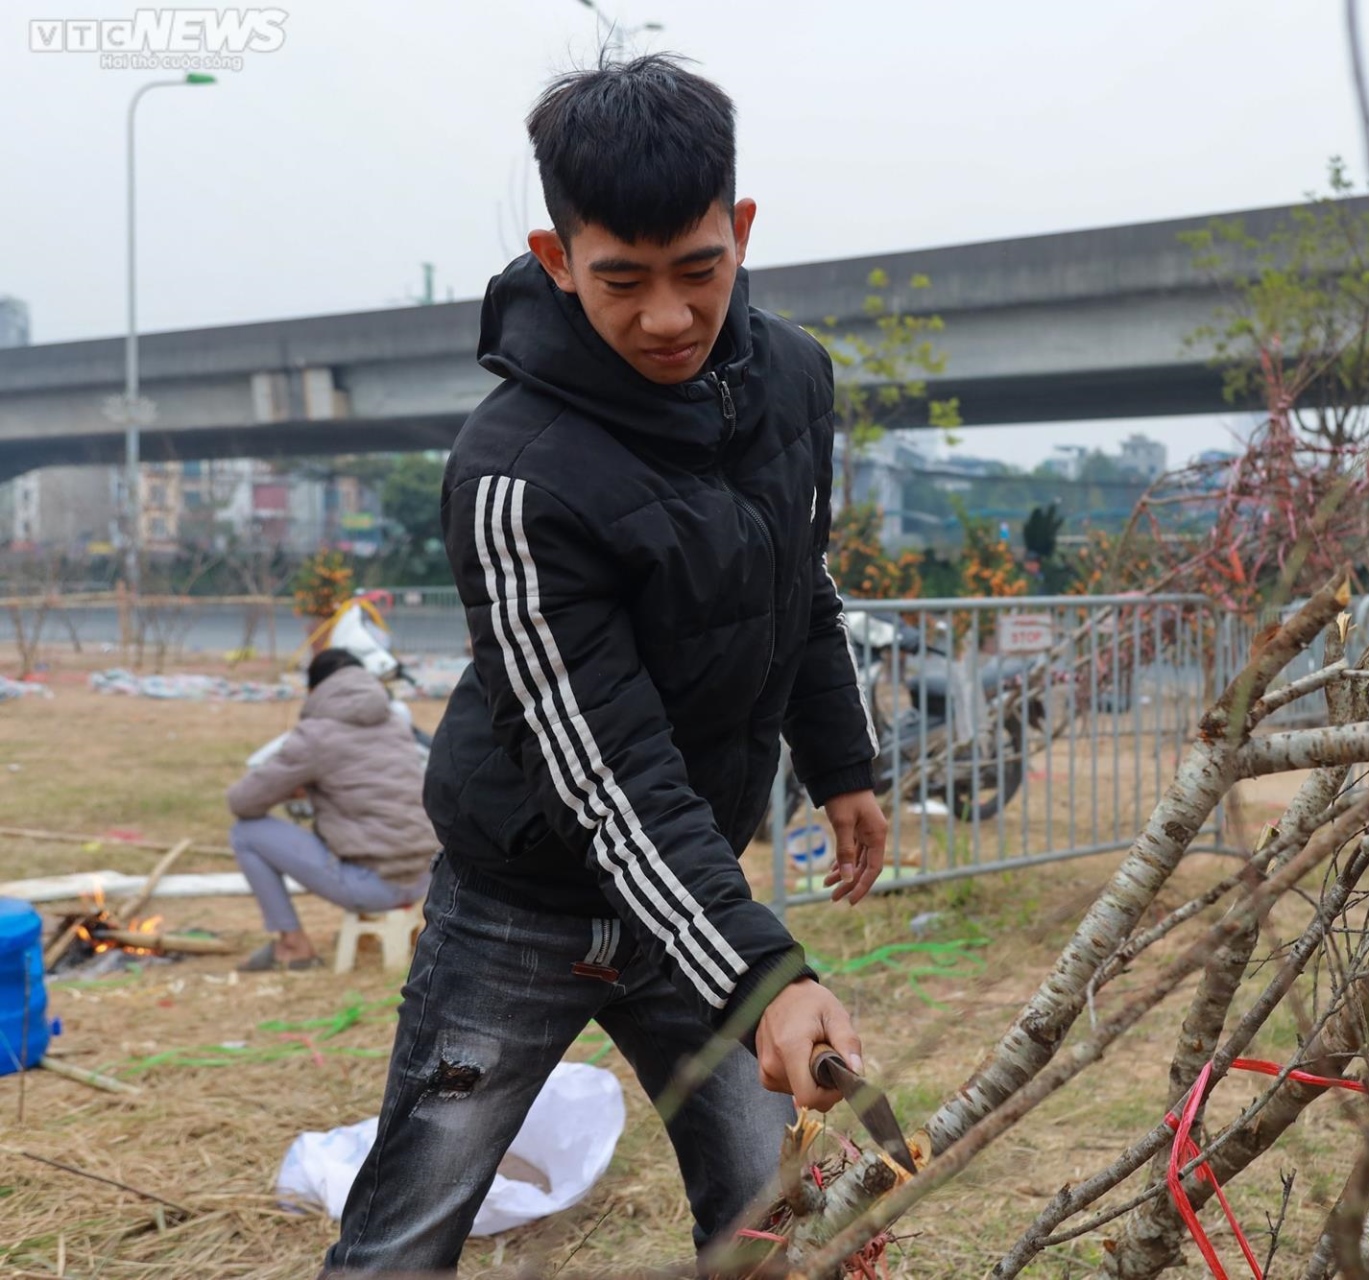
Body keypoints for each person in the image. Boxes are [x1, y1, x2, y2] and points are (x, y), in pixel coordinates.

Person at [324, 53, 890, 1273]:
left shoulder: (794, 376)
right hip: (524, 899)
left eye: (699, 269)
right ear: (555, 257)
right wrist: (765, 974)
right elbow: (605, 776)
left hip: (693, 898)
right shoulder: (514, 472)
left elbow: (794, 580)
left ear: (739, 230)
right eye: (621, 280)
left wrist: (842, 755)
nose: (669, 317)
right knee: (409, 1226)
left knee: (767, 1201)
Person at [226, 648, 436, 972]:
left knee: (246, 833)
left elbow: (242, 802)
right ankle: (367, 931)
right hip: (425, 879)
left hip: (374, 885)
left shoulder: (316, 735)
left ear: (315, 690)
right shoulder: (394, 722)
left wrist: (292, 789)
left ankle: (293, 945)